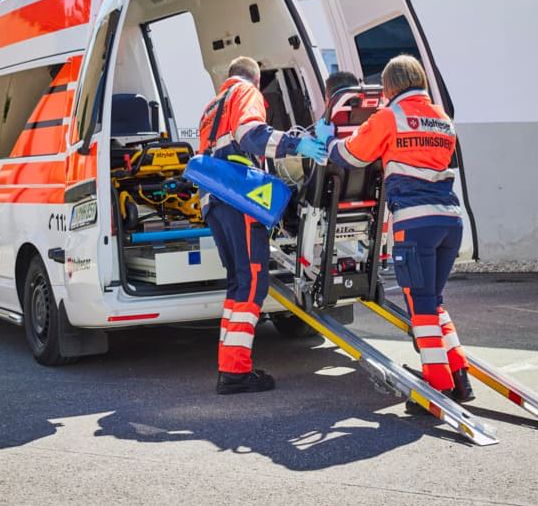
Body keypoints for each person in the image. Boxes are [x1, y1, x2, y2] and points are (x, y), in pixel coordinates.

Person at [318, 56, 473, 404]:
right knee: (434, 301)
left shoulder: (390, 116)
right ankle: (459, 376)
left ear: (389, 87)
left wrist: (327, 142)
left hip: (415, 225)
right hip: (450, 220)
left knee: (420, 306)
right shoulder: (442, 119)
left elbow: (352, 155)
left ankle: (438, 386)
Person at [200, 56, 327, 394]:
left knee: (238, 284)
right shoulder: (246, 93)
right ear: (255, 80)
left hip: (214, 201)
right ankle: (236, 373)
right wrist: (294, 143)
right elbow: (251, 134)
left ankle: (230, 366)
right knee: (253, 283)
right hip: (238, 199)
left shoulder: (212, 106)